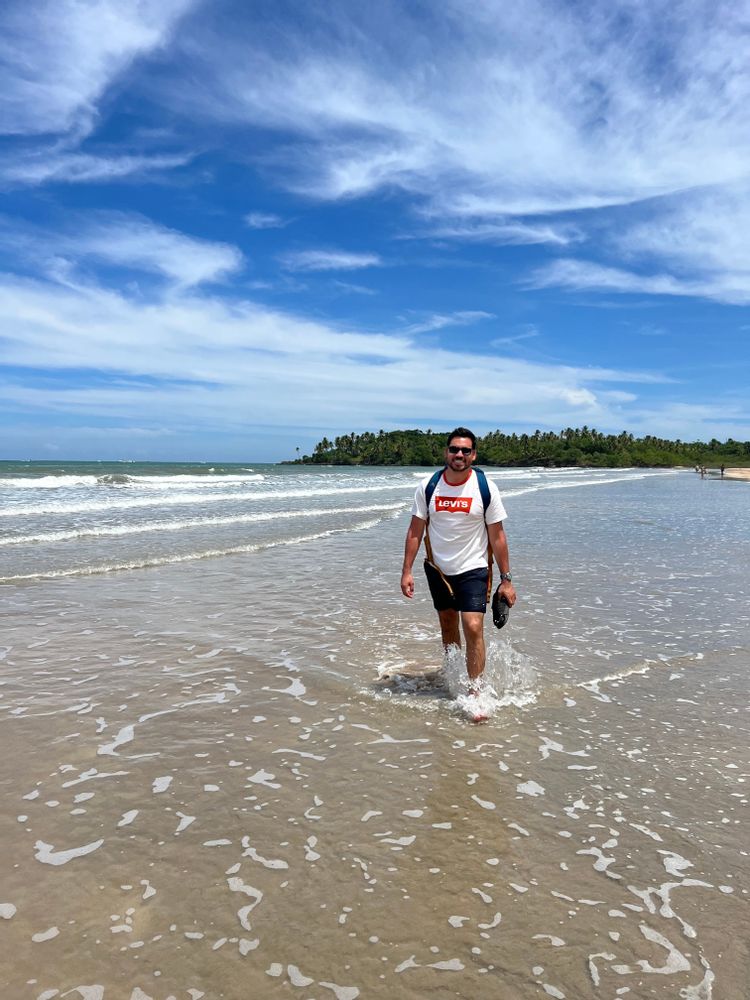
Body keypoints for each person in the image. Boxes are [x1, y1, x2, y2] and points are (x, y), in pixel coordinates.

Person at [400, 427, 516, 689]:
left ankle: (476, 693)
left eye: (465, 450)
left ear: (473, 455)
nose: (459, 454)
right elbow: (415, 531)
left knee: (473, 626)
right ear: (446, 452)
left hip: (474, 568)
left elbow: (497, 537)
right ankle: (454, 679)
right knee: (448, 625)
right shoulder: (428, 487)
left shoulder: (485, 488)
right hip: (438, 569)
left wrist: (506, 579)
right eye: (454, 449)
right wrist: (406, 570)